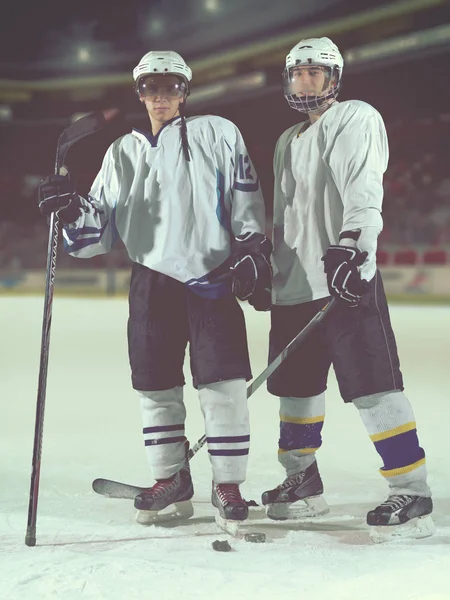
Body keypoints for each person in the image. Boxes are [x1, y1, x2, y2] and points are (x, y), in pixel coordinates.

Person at [38, 50, 272, 529]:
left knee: (223, 385)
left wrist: (252, 248)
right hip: (151, 281)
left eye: (170, 88)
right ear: (139, 92)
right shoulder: (121, 152)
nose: (161, 97)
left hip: (213, 277)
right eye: (151, 88)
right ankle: (171, 480)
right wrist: (68, 209)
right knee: (155, 385)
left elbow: (246, 195)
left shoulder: (219, 133)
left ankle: (227, 485)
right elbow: (94, 232)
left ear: (184, 91)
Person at [261, 37, 434, 542]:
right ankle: (302, 481)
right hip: (295, 286)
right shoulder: (286, 139)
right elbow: (286, 215)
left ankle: (411, 488)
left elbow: (364, 188)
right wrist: (269, 269)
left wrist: (353, 245)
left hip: (344, 276)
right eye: (298, 73)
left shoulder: (354, 117)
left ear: (334, 78)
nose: (306, 80)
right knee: (295, 391)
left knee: (373, 384)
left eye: (316, 72)